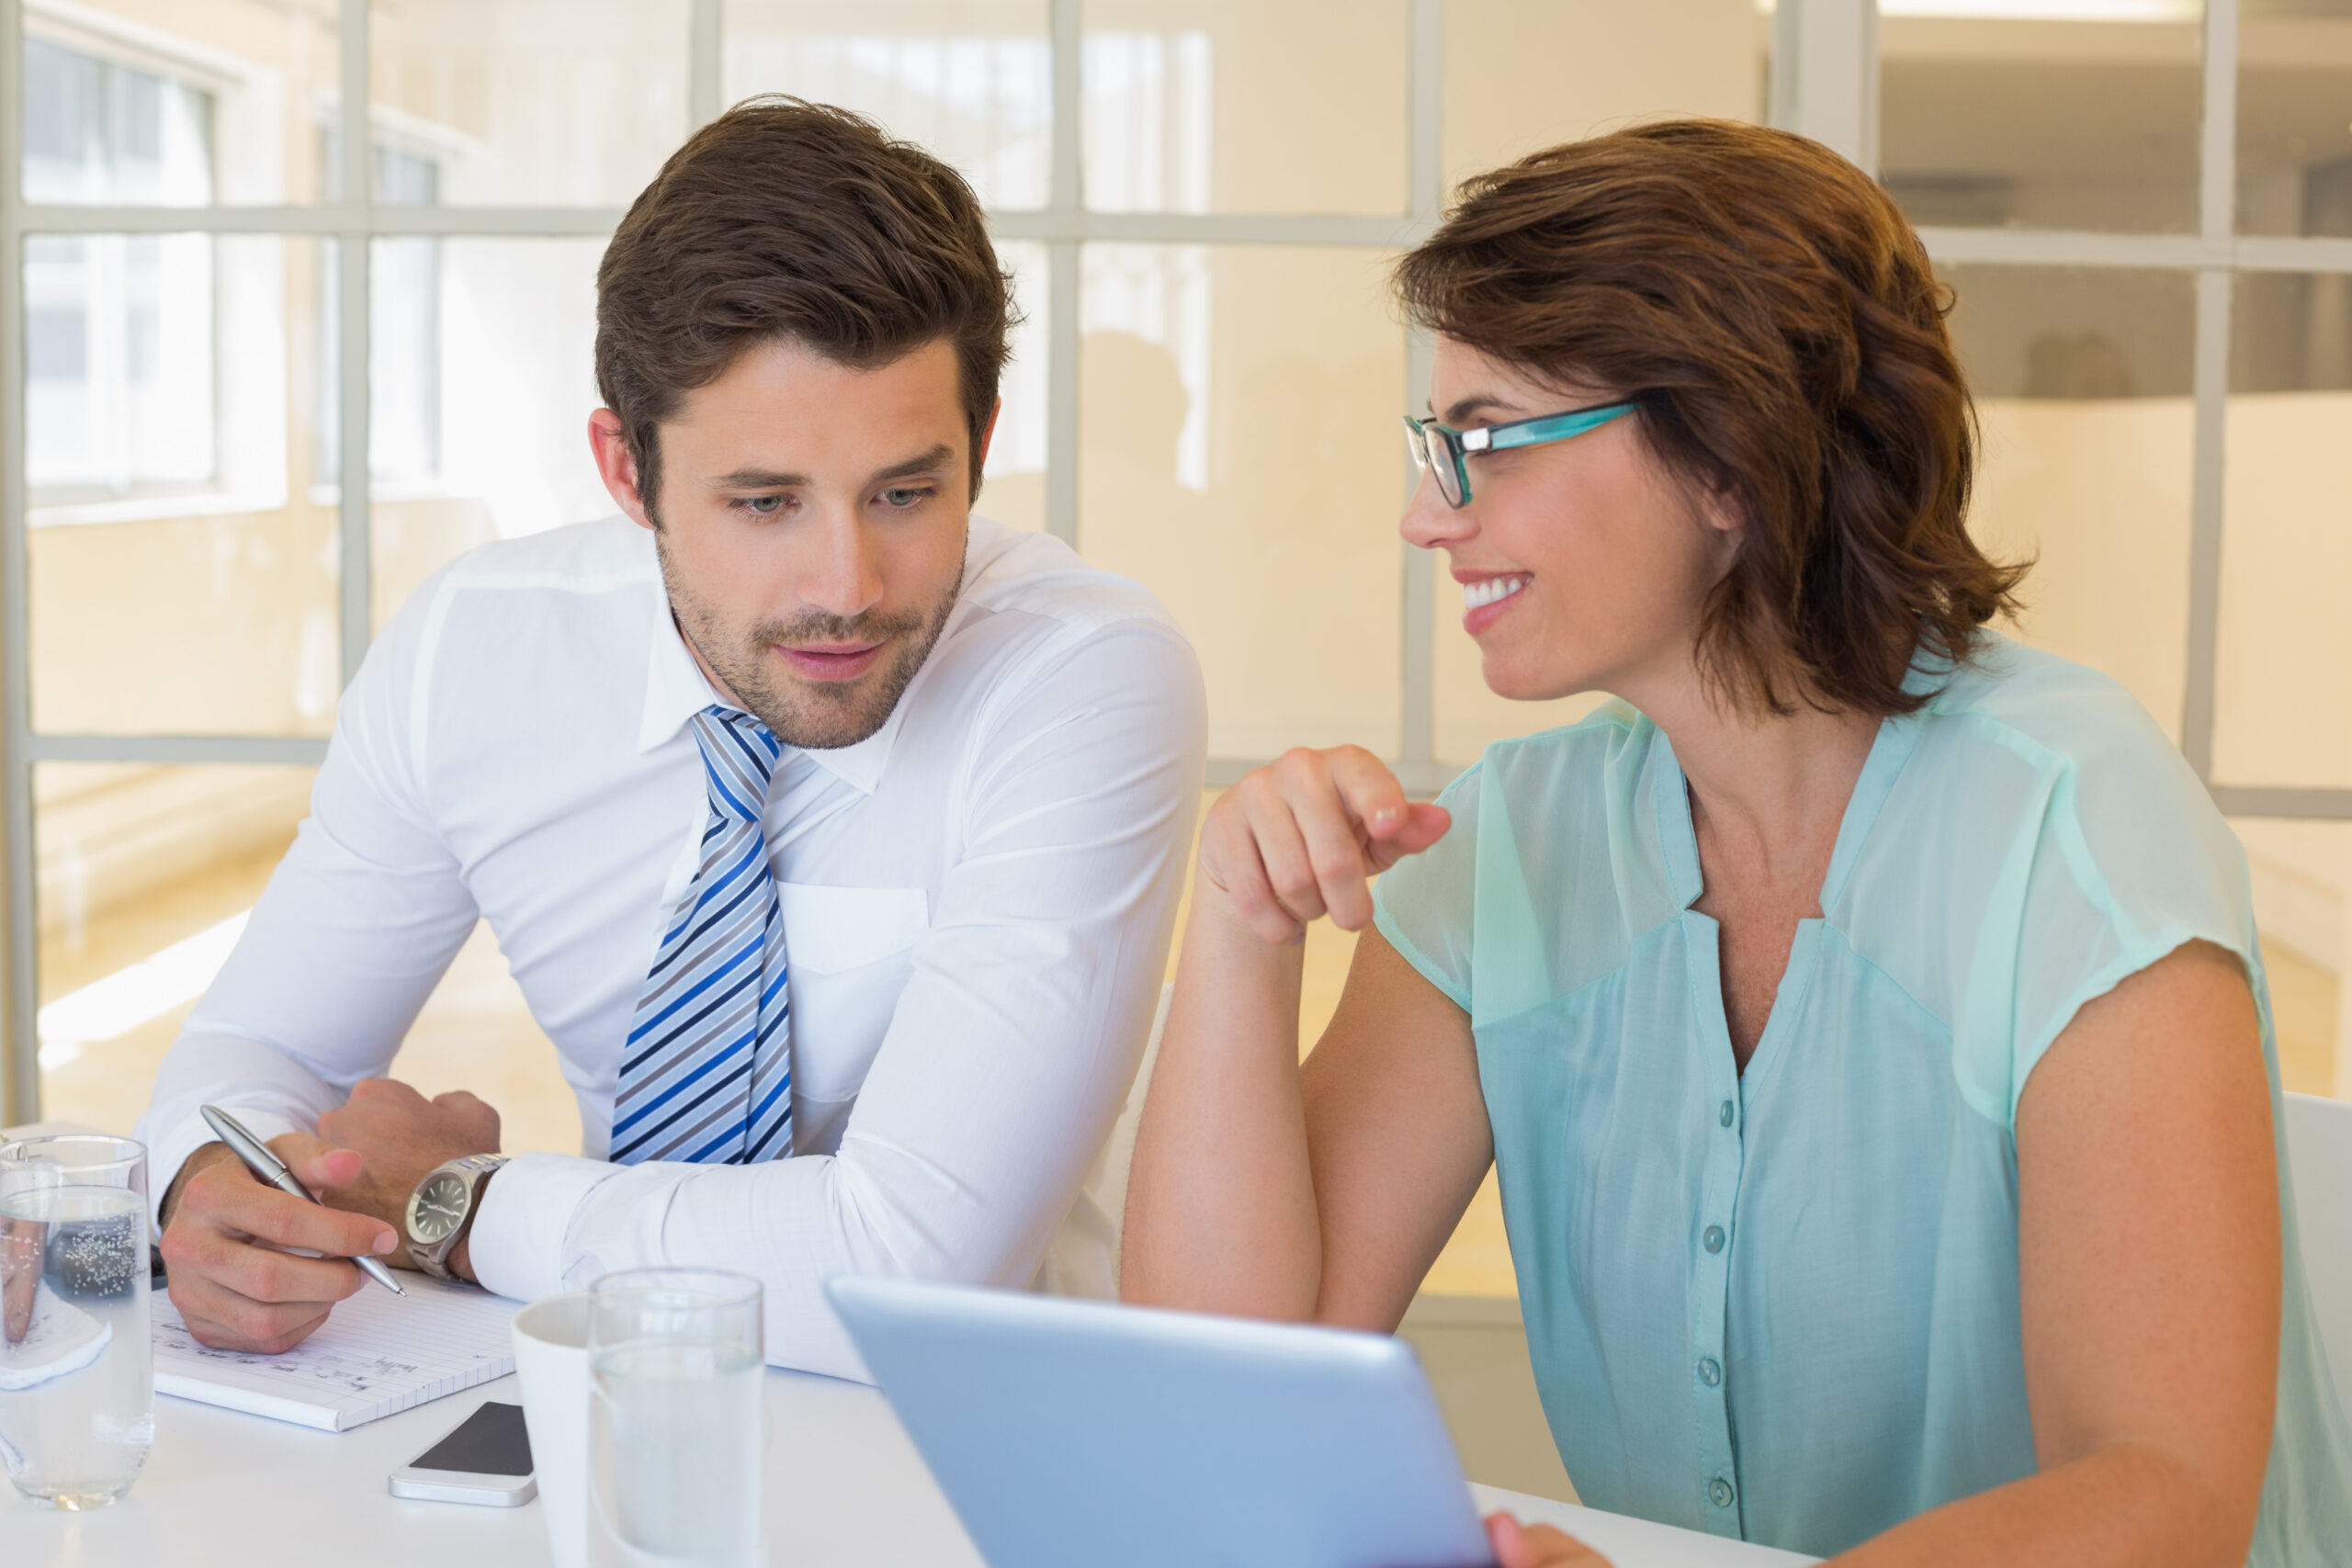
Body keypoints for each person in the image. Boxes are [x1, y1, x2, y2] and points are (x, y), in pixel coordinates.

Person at [1122, 119, 2352, 1566]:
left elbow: (2162, 1498)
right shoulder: (1511, 845)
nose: (1424, 515)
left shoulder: (2071, 817)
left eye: (1487, 441)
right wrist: (1242, 924)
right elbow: (1225, 1405)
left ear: (1731, 457)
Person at [138, 98, 1205, 1379]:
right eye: (764, 503)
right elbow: (270, 1049)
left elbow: (909, 1262)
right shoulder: (475, 653)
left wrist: (460, 1205)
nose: (849, 583)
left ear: (980, 447)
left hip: (985, 1442)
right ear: (624, 470)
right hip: (610, 1400)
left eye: (907, 493)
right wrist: (213, 1182)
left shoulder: (1078, 676)